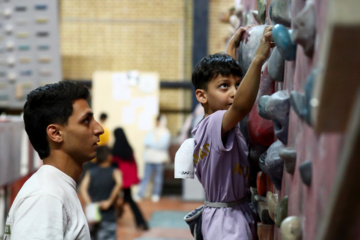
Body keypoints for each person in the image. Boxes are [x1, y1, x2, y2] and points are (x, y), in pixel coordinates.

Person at [190, 25, 273, 240]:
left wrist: (231, 49)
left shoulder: (210, 126)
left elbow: (230, 98)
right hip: (226, 222)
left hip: (228, 214)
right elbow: (240, 106)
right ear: (201, 96)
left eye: (238, 84)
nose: (235, 92)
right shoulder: (216, 121)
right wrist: (258, 58)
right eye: (224, 86)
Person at [3, 81, 104, 239]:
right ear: (56, 133)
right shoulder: (45, 197)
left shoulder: (56, 188)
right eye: (86, 121)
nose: (99, 129)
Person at [80, 146, 122, 240]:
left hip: (94, 216)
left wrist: (91, 204)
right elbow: (119, 183)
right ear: (110, 157)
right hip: (109, 216)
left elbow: (83, 188)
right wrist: (109, 201)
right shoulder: (115, 172)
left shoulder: (90, 172)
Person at [111, 127, 149, 230]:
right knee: (128, 199)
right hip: (127, 181)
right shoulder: (129, 148)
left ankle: (113, 218)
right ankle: (140, 221)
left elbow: (113, 166)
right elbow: (134, 164)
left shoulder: (115, 149)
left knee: (113, 198)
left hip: (117, 180)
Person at [137, 115, 171, 202]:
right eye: (157, 121)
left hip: (159, 159)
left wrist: (152, 144)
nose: (158, 123)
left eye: (159, 121)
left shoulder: (166, 132)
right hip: (149, 158)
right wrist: (156, 143)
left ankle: (156, 194)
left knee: (158, 178)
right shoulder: (152, 131)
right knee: (145, 177)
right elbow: (145, 142)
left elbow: (163, 145)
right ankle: (140, 194)